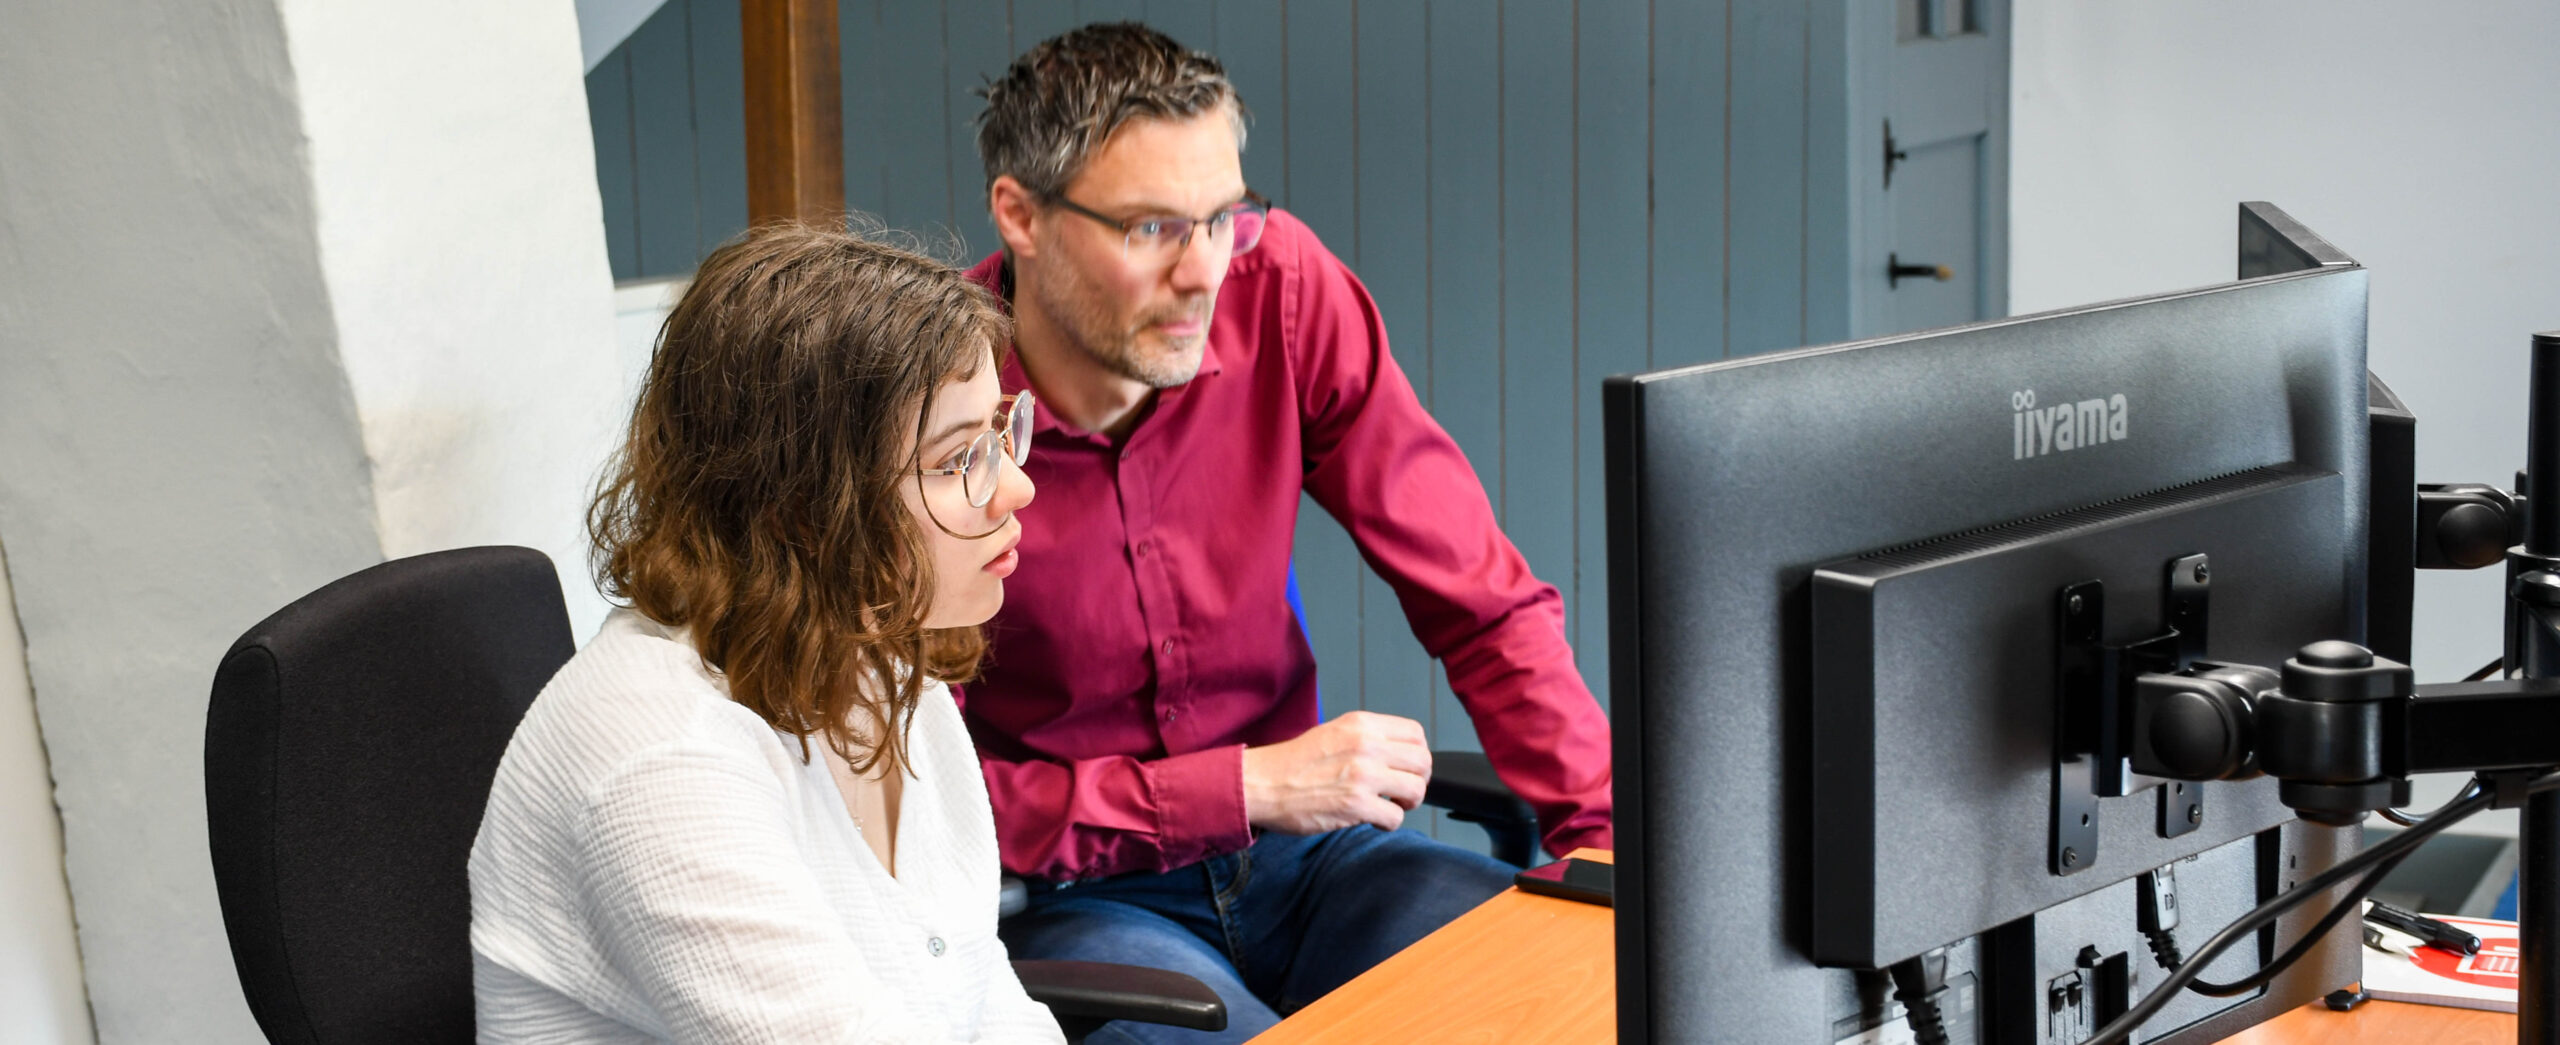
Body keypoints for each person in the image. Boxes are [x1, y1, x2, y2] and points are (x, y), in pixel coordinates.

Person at [959, 23, 1614, 1041]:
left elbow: (1482, 605)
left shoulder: (1285, 295)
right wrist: (1236, 785)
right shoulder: (931, 413)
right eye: (1151, 229)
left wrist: (1601, 843)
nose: (1203, 271)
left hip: (1312, 859)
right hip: (1083, 899)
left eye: (1222, 216)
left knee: (1589, 987)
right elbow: (927, 806)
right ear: (1021, 216)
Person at [468, 223, 1064, 1043]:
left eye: (999, 433)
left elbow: (976, 987)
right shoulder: (660, 759)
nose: (1018, 486)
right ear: (804, 509)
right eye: (959, 459)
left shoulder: (872, 655)